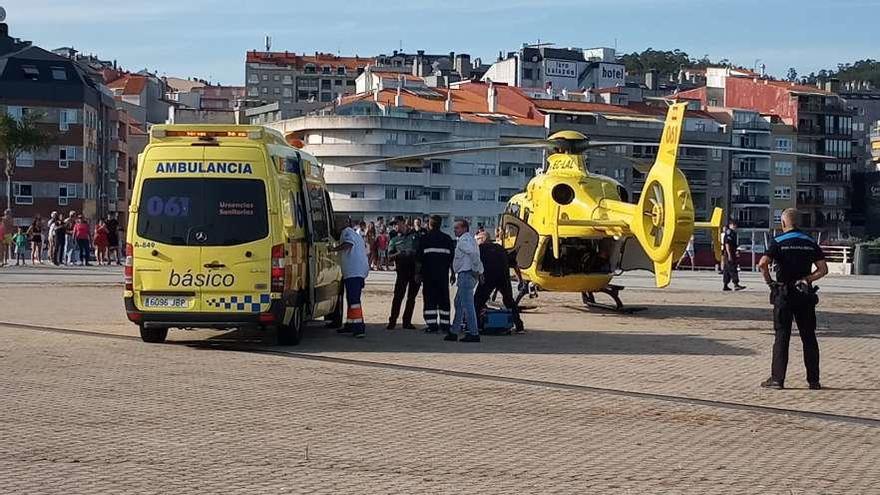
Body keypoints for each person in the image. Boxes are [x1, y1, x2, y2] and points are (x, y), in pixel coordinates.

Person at [757, 209, 828, 390]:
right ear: (799, 222)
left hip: (784, 294)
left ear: (783, 223)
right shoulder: (810, 242)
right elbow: (823, 269)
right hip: (804, 294)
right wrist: (807, 279)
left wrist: (770, 282)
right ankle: (814, 380)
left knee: (782, 336)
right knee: (809, 337)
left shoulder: (778, 241)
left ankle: (777, 379)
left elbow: (763, 263)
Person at [474, 231, 525, 334]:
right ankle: (519, 327)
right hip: (503, 278)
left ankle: (476, 326)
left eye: (478, 239)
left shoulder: (480, 249)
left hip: (488, 278)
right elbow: (514, 264)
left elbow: (475, 265)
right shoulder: (501, 249)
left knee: (477, 301)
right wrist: (520, 279)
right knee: (509, 301)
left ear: (483, 239)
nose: (477, 241)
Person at [330, 218, 370, 338]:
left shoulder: (346, 232)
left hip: (354, 272)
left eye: (337, 224)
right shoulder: (354, 233)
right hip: (356, 272)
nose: (335, 228)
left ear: (345, 223)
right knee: (351, 300)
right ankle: (350, 324)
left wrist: (333, 249)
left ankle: (359, 328)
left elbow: (349, 244)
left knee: (354, 301)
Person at [416, 215, 455, 333]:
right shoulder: (447, 239)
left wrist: (417, 274)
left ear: (429, 224)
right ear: (440, 224)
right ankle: (445, 325)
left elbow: (419, 259)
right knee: (444, 299)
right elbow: (452, 258)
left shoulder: (424, 238)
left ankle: (432, 325)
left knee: (430, 299)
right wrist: (453, 273)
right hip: (443, 276)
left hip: (428, 275)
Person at [449, 219, 483, 343]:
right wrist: (479, 271)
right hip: (467, 274)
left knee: (468, 305)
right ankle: (454, 330)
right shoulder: (470, 239)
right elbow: (476, 255)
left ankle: (473, 333)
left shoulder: (464, 241)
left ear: (464, 228)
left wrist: (475, 269)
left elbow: (474, 254)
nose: (455, 230)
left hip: (466, 274)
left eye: (457, 228)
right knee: (459, 302)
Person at [386, 219, 421, 329]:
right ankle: (392, 321)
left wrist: (419, 271)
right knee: (398, 297)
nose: (395, 227)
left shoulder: (415, 237)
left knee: (411, 298)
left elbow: (420, 253)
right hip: (402, 272)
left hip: (414, 271)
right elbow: (389, 257)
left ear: (403, 223)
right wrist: (399, 253)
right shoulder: (394, 240)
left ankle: (407, 321)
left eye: (396, 224)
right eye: (393, 225)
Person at [721, 221, 746, 291]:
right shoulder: (729, 233)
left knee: (727, 269)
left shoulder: (733, 233)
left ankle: (725, 285)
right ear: (730, 225)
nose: (735, 226)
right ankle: (736, 284)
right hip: (729, 253)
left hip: (731, 252)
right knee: (732, 268)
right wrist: (729, 254)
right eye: (734, 225)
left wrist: (736, 251)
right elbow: (727, 244)